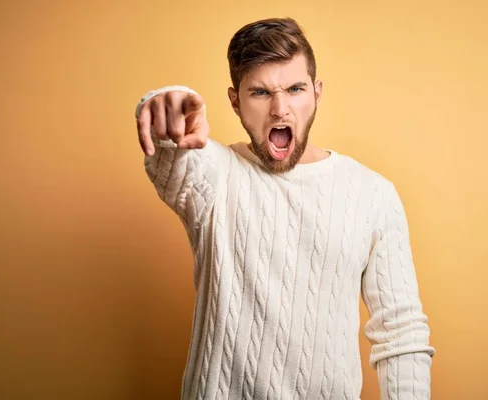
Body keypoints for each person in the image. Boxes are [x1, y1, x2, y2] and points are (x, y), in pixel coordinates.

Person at [135, 17, 435, 400]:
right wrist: (168, 104)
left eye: (295, 88)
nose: (280, 109)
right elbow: (171, 158)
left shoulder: (373, 194)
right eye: (260, 92)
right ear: (235, 102)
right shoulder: (215, 177)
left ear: (317, 93)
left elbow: (401, 332)